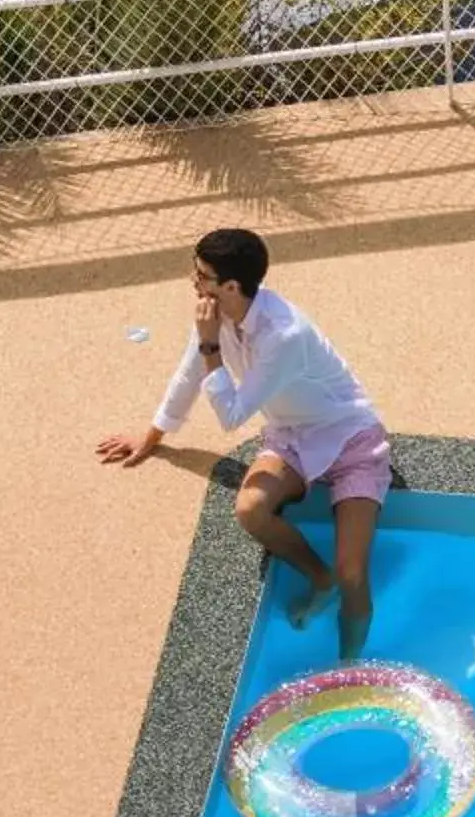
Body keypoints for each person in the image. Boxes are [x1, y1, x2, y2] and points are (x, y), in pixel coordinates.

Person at [97, 227, 390, 659]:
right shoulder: (217, 318)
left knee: (353, 573)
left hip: (351, 440)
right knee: (250, 510)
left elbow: (232, 415)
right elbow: (189, 373)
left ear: (230, 286)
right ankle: (317, 577)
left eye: (201, 276)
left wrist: (210, 343)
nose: (193, 284)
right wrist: (153, 433)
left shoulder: (283, 336)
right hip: (290, 436)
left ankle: (348, 664)